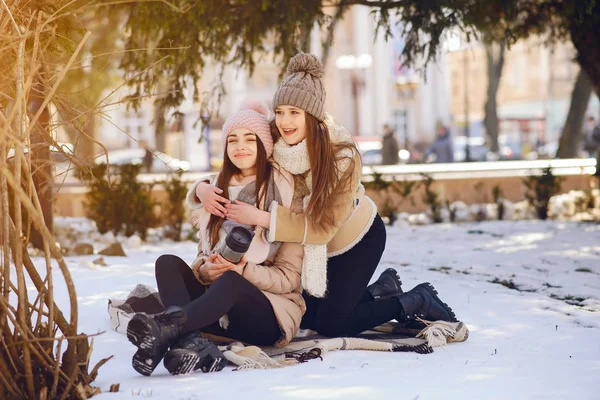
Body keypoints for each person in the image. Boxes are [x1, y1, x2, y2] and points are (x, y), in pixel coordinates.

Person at [189, 53, 457, 339]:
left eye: (294, 112)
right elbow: (241, 153)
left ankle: (413, 300)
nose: (284, 121)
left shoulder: (341, 157)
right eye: (279, 111)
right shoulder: (277, 138)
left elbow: (321, 228)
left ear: (312, 116)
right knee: (308, 315)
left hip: (353, 240)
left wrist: (262, 218)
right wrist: (201, 189)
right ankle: (380, 290)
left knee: (333, 324)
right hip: (307, 247)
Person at [126, 102, 305, 377]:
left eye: (249, 139)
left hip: (266, 316)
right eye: (232, 139)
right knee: (167, 263)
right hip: (214, 312)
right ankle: (189, 342)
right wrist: (205, 270)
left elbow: (289, 280)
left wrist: (244, 269)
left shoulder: (287, 196)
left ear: (264, 145)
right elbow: (201, 257)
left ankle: (166, 329)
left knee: (234, 280)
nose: (240, 146)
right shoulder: (215, 192)